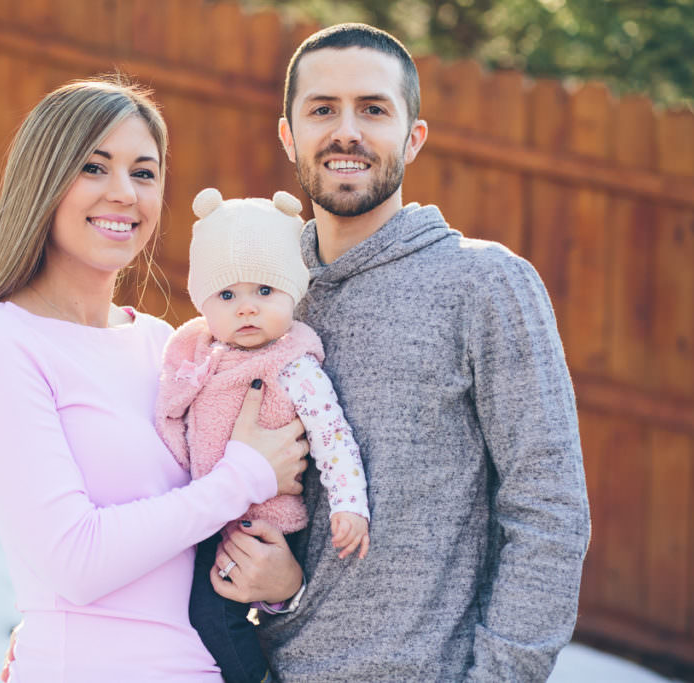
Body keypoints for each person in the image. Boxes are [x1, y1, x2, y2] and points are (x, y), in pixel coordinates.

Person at [209, 23, 592, 681]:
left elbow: (549, 511)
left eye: (374, 109)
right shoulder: (261, 297)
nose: (347, 130)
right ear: (288, 134)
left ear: (413, 136)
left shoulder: (485, 284)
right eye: (323, 108)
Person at [0, 78, 311, 682]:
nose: (123, 194)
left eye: (144, 173)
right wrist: (245, 475)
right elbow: (75, 561)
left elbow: (209, 538)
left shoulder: (170, 345)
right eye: (94, 167)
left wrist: (281, 586)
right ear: (44, 181)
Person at [154, 187, 370, 683]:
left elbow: (333, 437)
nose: (246, 309)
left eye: (264, 292)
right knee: (187, 615)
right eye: (228, 295)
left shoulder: (293, 367)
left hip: (259, 523)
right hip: (207, 510)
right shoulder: (197, 352)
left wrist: (349, 505)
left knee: (215, 618)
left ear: (293, 293)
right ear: (203, 301)